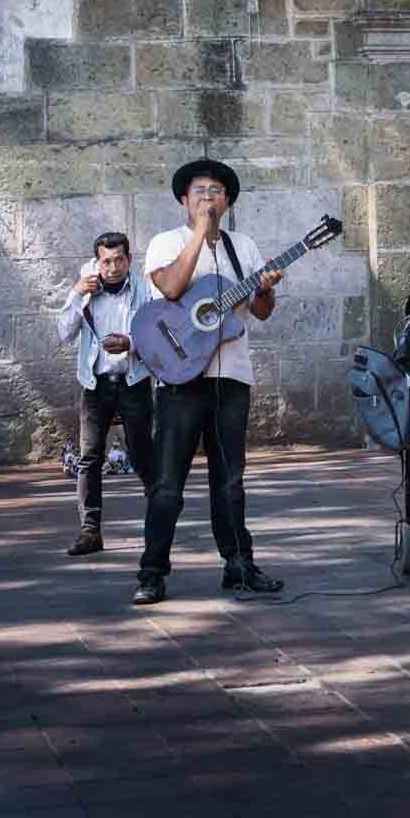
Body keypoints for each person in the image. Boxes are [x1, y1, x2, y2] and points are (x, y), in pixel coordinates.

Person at [134, 161, 284, 605]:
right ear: (184, 200)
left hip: (232, 378)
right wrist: (200, 234)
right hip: (181, 381)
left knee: (230, 480)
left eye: (216, 191)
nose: (207, 198)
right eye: (198, 191)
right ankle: (152, 572)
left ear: (228, 201)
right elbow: (174, 288)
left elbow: (260, 312)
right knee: (167, 483)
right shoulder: (168, 242)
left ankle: (239, 565)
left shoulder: (244, 247)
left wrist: (264, 288)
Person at [56, 231, 154, 557]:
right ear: (97, 262)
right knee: (90, 457)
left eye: (119, 260)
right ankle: (90, 531)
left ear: (129, 260)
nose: (113, 267)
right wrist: (75, 293)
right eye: (106, 261)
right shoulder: (85, 290)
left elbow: (159, 335)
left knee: (142, 456)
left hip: (133, 379)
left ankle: (159, 523)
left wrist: (131, 344)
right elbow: (63, 333)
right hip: (96, 384)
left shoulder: (143, 289)